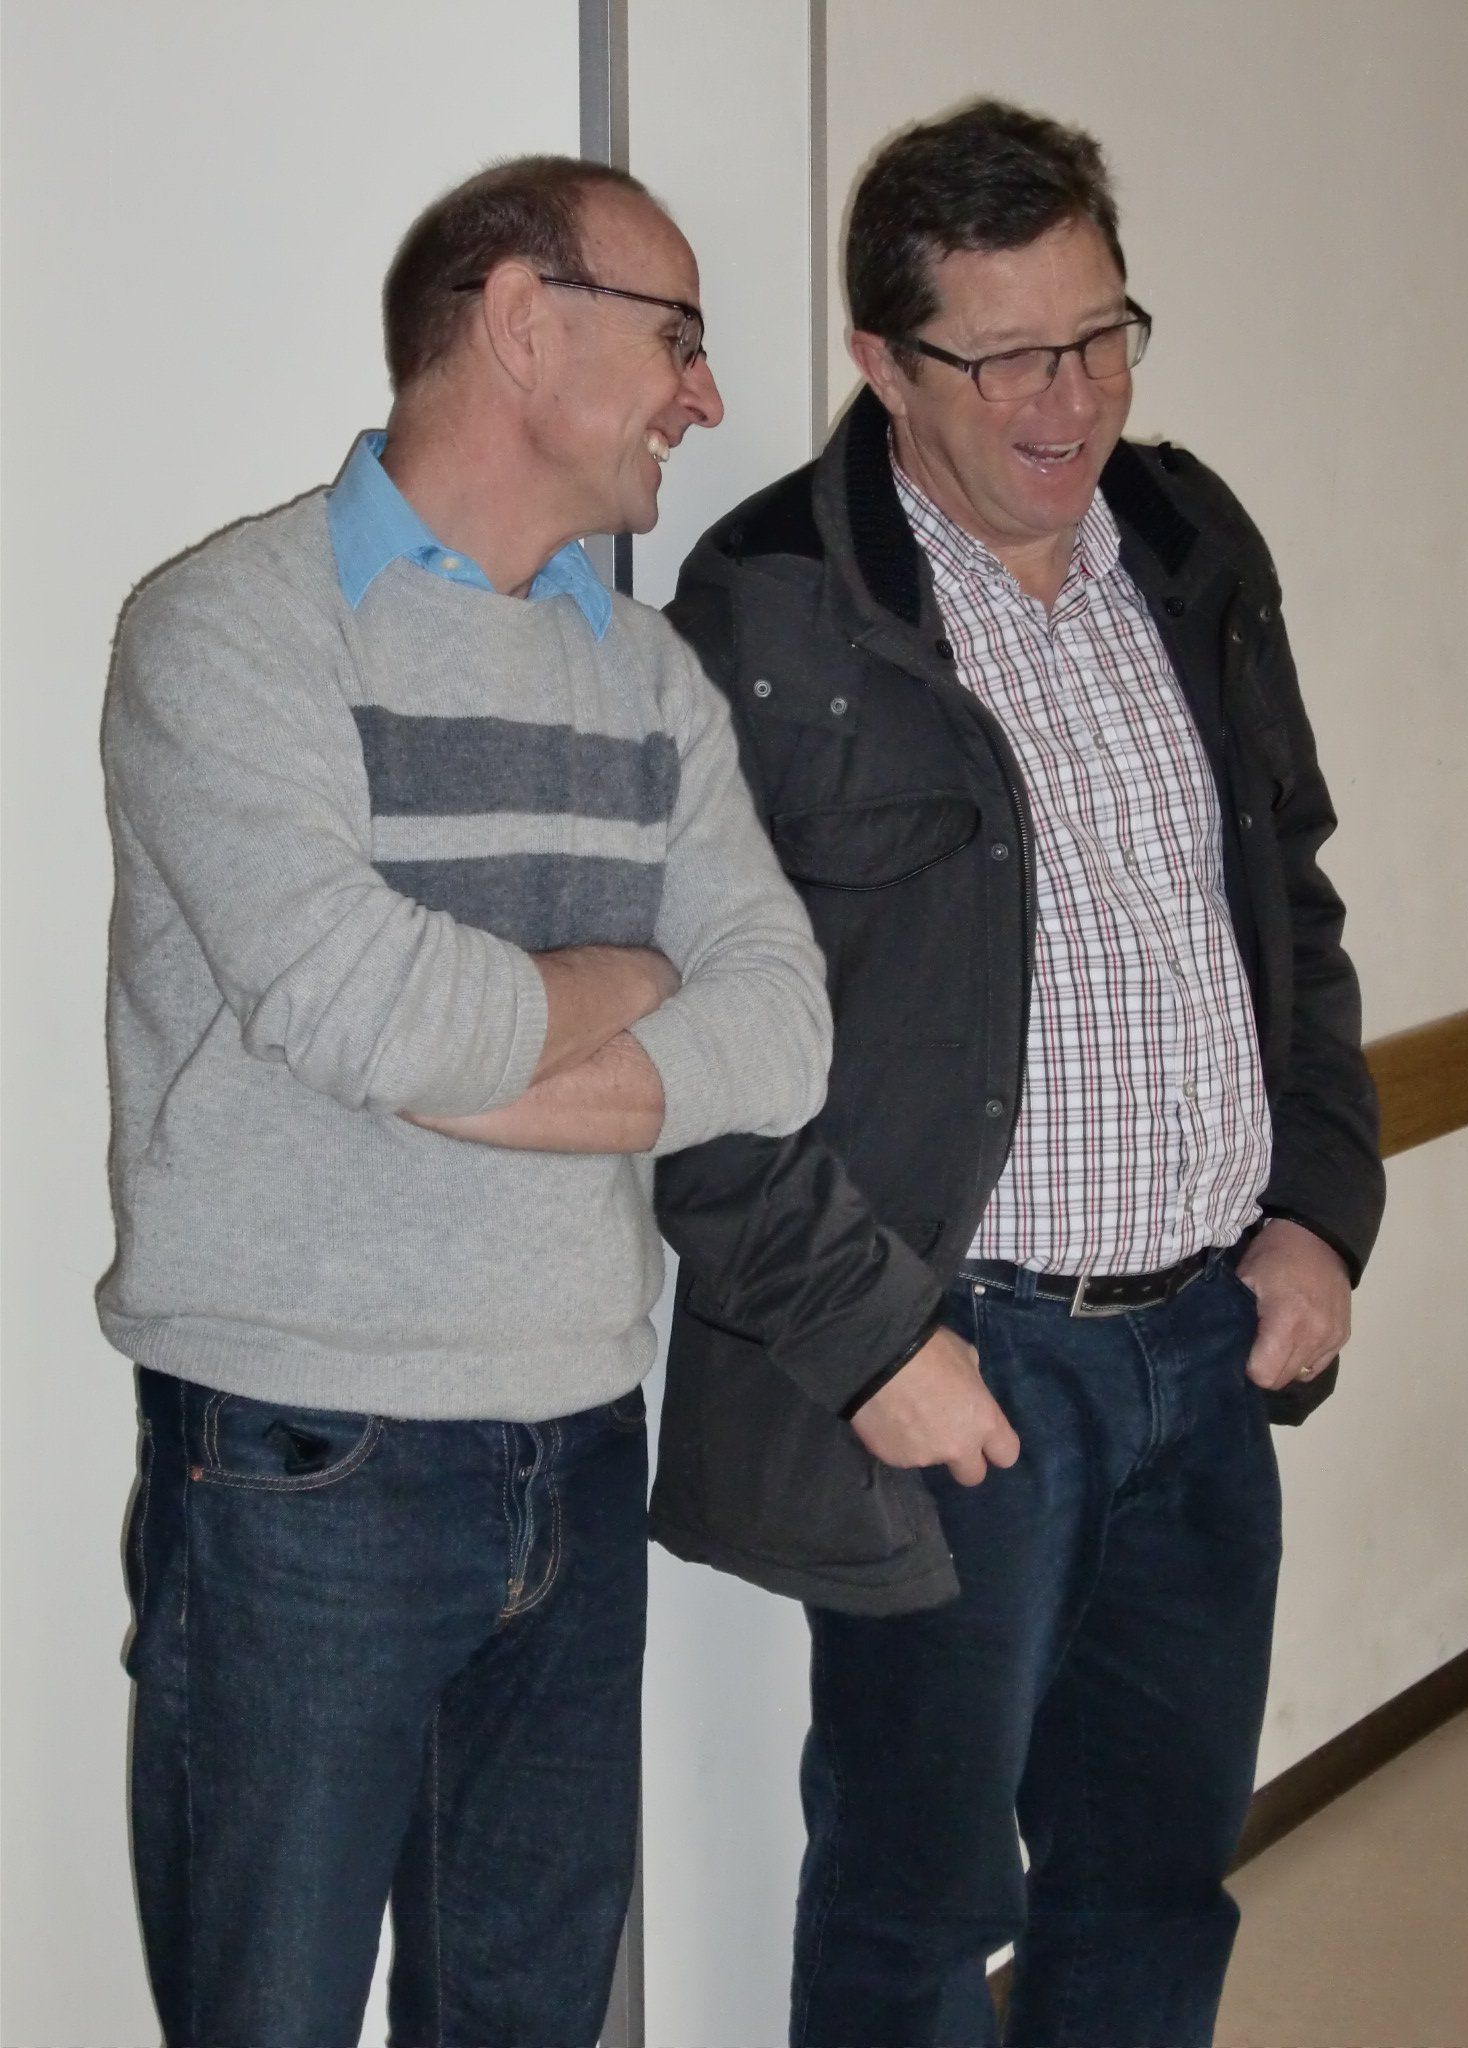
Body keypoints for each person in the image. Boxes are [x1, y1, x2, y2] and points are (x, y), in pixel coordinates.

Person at [653, 101, 1384, 2048]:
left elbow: (1293, 906)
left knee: (1154, 1884)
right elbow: (691, 1053)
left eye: (1100, 334)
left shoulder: (1192, 543)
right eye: (1005, 358)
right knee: (914, 1915)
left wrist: (1320, 1209)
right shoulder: (770, 605)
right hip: (965, 1369)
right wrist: (874, 1342)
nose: (1072, 403)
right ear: (884, 364)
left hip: (1205, 1354)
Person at [98, 154, 830, 2047]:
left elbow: (785, 1029)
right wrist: (631, 981)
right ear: (519, 321)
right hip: (298, 1463)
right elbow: (370, 1010)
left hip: (579, 1437)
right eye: (676, 338)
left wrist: (472, 1056)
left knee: (527, 2020)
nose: (703, 395)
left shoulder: (646, 674)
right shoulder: (229, 630)